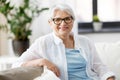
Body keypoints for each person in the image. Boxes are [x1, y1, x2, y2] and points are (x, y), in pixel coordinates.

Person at [12, 3, 115, 80]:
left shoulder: (85, 41)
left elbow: (99, 66)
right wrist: (42, 61)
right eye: (57, 20)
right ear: (50, 23)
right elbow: (16, 64)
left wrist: (109, 77)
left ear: (73, 21)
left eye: (67, 19)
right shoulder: (43, 42)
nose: (63, 23)